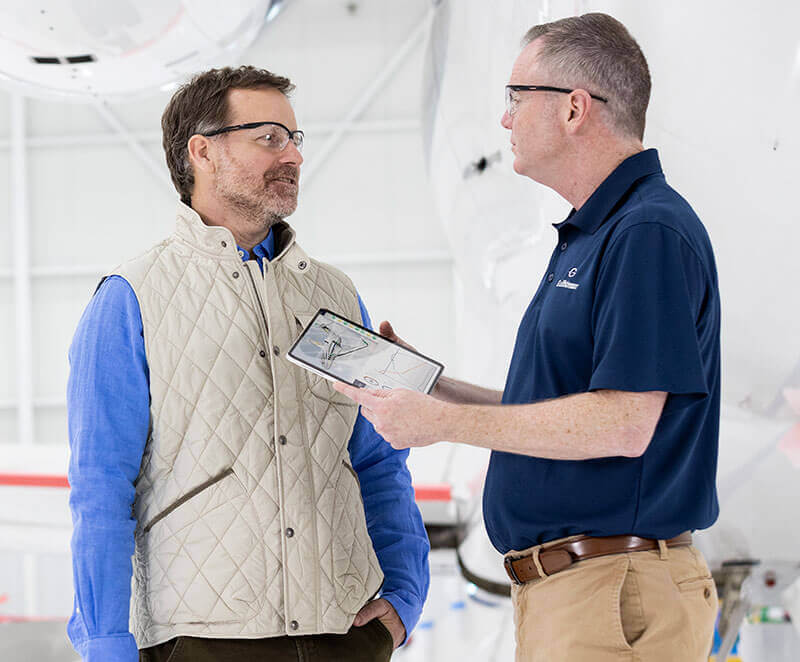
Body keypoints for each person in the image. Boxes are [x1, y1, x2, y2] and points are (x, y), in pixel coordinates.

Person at [335, 13, 720, 662]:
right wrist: (437, 388)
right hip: (579, 593)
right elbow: (562, 409)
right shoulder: (596, 233)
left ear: (574, 109)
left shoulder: (645, 232)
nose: (505, 118)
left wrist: (441, 425)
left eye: (517, 97)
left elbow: (623, 424)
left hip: (611, 593)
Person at [66, 66, 429, 662]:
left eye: (294, 138)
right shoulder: (131, 297)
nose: (293, 156)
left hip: (345, 634)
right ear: (203, 151)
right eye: (269, 138)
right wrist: (107, 647)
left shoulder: (336, 295)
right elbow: (101, 488)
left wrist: (405, 597)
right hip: (202, 641)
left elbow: (380, 460)